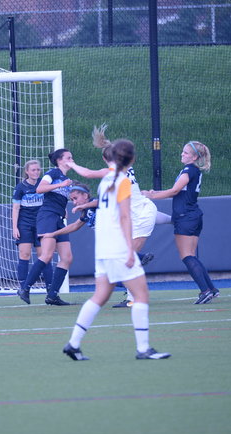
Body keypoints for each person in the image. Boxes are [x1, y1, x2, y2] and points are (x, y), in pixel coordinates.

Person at [62, 139, 170, 361]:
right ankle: (143, 349)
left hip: (103, 247)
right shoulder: (122, 180)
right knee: (141, 294)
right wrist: (130, 249)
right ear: (132, 159)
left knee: (100, 296)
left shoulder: (106, 180)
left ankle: (73, 344)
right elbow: (125, 216)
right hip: (117, 246)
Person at [69, 125, 171, 308]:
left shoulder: (113, 173)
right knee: (130, 252)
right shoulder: (124, 169)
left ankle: (133, 298)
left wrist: (70, 164)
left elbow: (87, 173)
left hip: (141, 216)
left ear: (105, 158)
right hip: (142, 210)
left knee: (129, 257)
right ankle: (177, 220)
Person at [143, 141, 218, 305]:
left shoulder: (189, 170)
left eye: (186, 153)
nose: (182, 154)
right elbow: (178, 191)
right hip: (193, 215)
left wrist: (152, 195)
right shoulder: (194, 170)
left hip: (185, 216)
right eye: (183, 152)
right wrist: (155, 192)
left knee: (186, 256)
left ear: (194, 157)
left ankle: (205, 291)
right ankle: (211, 289)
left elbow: (174, 191)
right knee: (191, 255)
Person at [17, 148, 74, 306]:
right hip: (47, 217)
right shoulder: (53, 173)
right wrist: (61, 184)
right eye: (69, 158)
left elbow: (60, 197)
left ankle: (52, 295)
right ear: (59, 160)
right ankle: (25, 288)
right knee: (47, 255)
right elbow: (40, 189)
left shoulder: (66, 178)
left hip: (58, 218)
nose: (72, 160)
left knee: (67, 258)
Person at [12, 160, 53, 291]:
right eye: (33, 170)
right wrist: (15, 227)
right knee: (24, 254)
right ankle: (23, 288)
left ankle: (50, 288)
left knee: (44, 255)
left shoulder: (44, 184)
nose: (36, 172)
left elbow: (53, 200)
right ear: (27, 172)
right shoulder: (20, 187)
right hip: (25, 224)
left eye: (38, 169)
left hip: (41, 224)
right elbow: (16, 208)